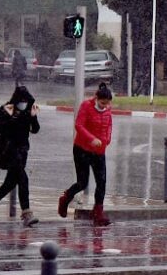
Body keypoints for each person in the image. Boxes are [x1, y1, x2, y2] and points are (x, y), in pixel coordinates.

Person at [0, 85, 41, 227]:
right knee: (23, 179)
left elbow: (35, 129)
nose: (23, 104)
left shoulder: (28, 110)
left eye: (25, 101)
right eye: (21, 101)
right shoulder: (6, 108)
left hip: (22, 151)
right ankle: (27, 213)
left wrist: (33, 117)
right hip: (8, 150)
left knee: (10, 182)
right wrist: (5, 115)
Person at [57, 82, 113, 226]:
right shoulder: (86, 106)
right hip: (82, 149)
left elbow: (109, 126)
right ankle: (65, 198)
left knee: (102, 182)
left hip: (99, 151)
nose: (104, 106)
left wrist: (107, 139)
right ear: (96, 98)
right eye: (101, 103)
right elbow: (79, 125)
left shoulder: (107, 109)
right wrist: (91, 139)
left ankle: (98, 212)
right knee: (83, 182)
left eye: (106, 104)